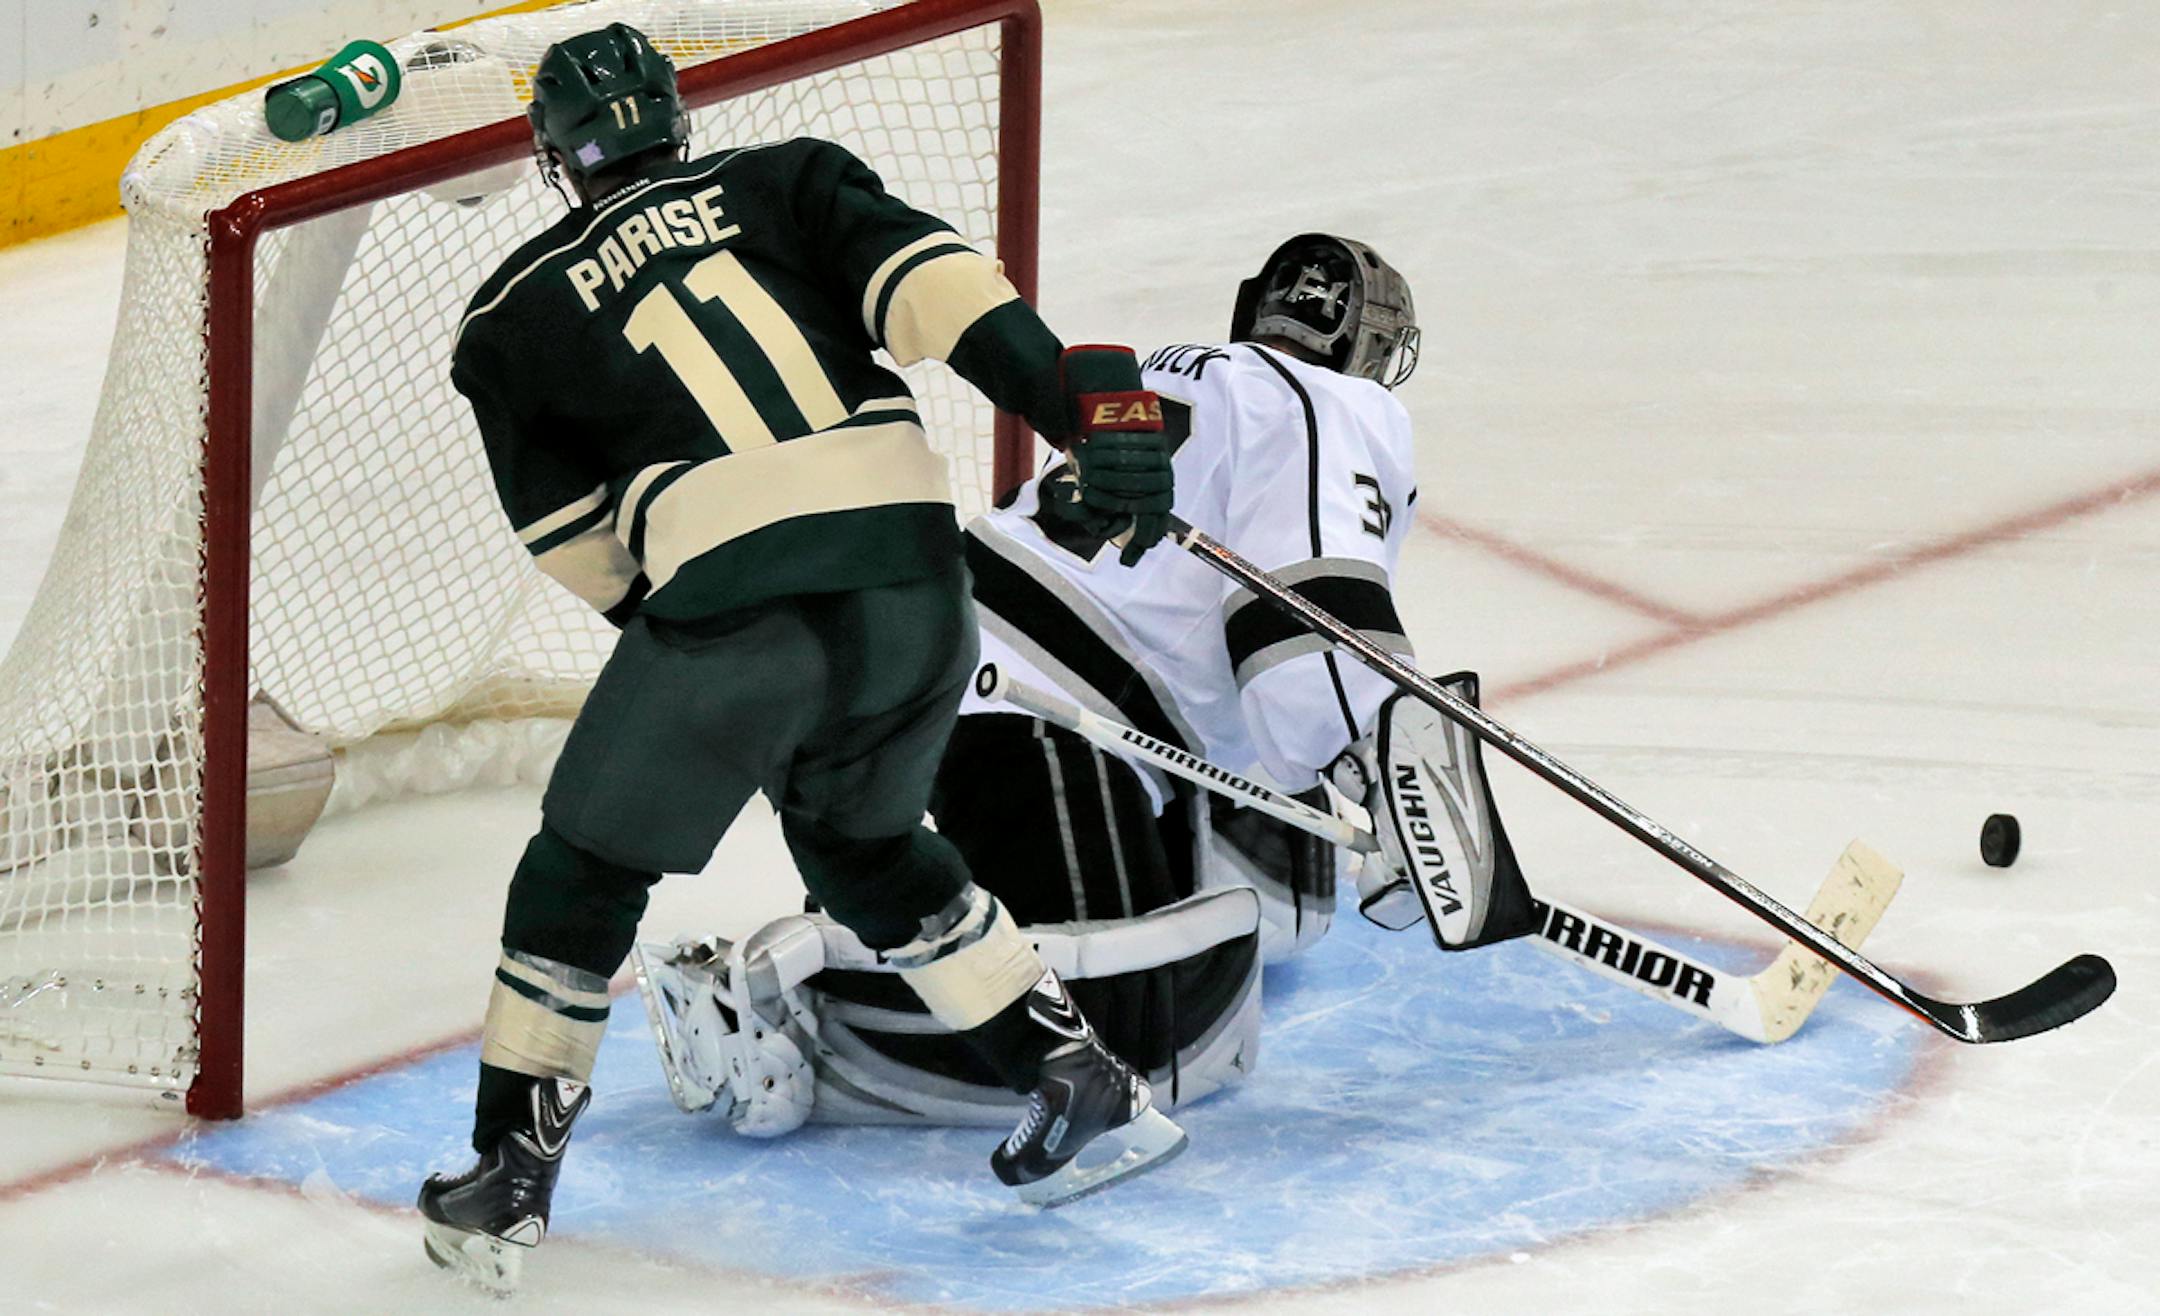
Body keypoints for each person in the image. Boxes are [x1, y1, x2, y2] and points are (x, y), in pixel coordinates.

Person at [418, 24, 1185, 1292]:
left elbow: (579, 547)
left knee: (582, 872)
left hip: (730, 606)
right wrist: (1071, 412)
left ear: (556, 157)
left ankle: (506, 1173)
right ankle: (1074, 1072)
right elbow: (951, 299)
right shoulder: (789, 179)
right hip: (918, 584)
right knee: (862, 845)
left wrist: (709, 678)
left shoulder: (509, 314)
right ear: (675, 118)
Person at [637, 234, 1538, 1136]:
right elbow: (1309, 611)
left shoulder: (1167, 370)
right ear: (1366, 347)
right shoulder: (1335, 403)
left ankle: (871, 939)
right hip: (1039, 710)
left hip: (941, 661)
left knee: (1217, 919)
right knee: (1125, 1041)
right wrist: (1379, 763)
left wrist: (1350, 769)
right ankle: (775, 1010)